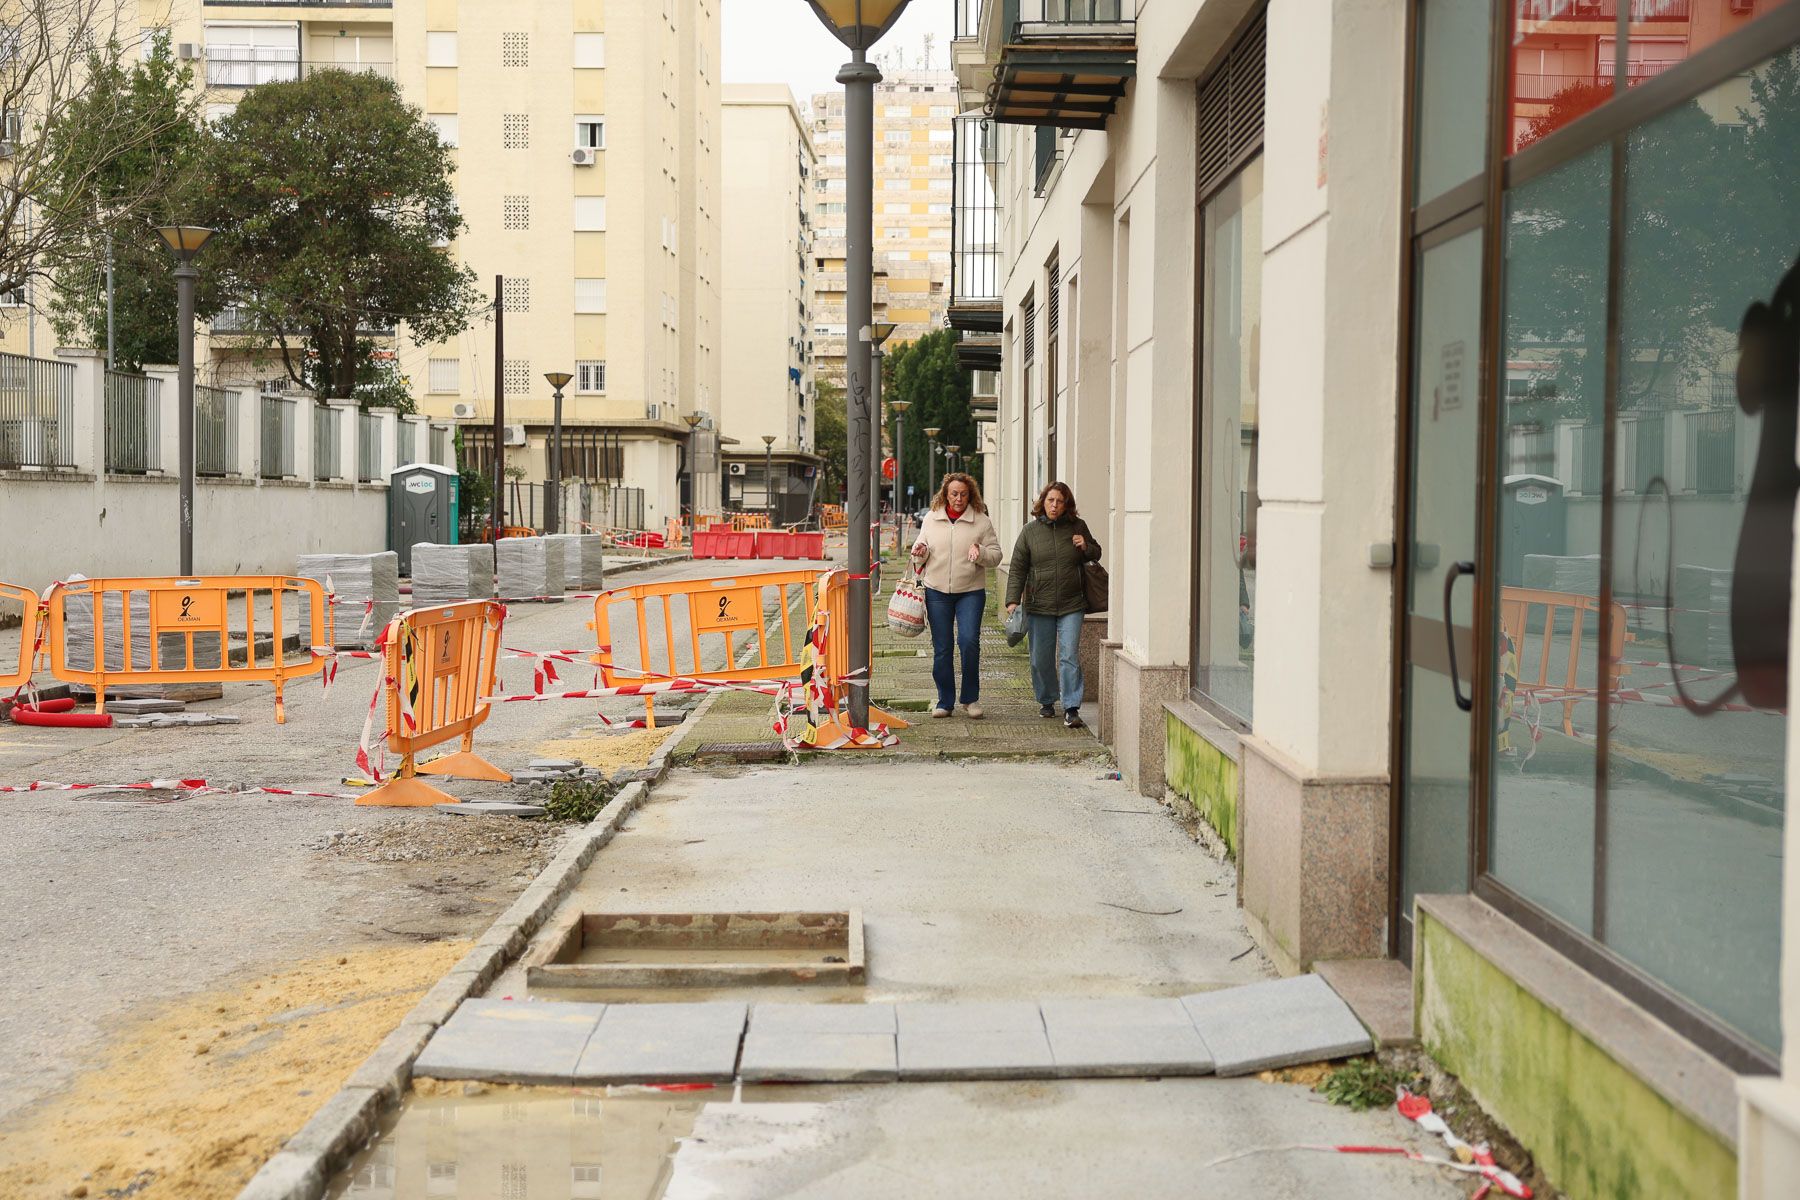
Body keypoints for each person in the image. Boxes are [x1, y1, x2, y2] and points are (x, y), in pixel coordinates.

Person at [1006, 481, 1102, 729]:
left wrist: (1086, 546)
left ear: (1066, 504)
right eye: (1050, 500)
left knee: (1069, 655)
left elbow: (1096, 553)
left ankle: (1071, 707)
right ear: (1043, 502)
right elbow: (1018, 567)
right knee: (1040, 657)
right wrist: (1013, 600)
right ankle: (1047, 700)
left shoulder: (1077, 526)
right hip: (1040, 604)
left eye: (1059, 501)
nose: (1054, 505)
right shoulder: (1030, 531)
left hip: (1072, 603)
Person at [909, 472, 1003, 718]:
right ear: (945, 494)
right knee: (942, 648)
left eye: (963, 494)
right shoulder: (931, 518)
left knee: (969, 642)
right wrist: (919, 551)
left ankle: (970, 699)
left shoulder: (981, 521)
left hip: (970, 592)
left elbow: (996, 555)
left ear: (970, 494)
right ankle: (944, 701)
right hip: (936, 591)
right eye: (954, 494)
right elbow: (919, 551)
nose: (959, 498)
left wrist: (980, 552)